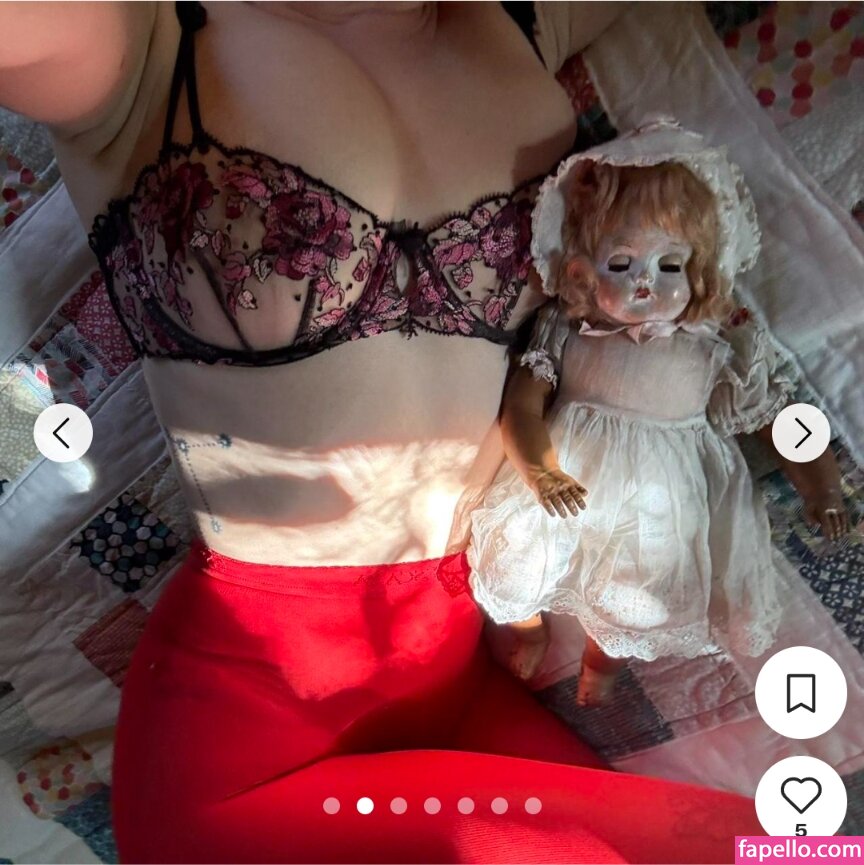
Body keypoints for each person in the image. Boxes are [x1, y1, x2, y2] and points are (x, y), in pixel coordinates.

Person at [1, 3, 765, 861]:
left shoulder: (511, 19)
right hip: (247, 761)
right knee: (760, 852)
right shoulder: (142, 37)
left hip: (453, 684)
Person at [466, 120, 850, 706]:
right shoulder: (567, 328)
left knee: (636, 602)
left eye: (670, 266)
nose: (647, 283)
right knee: (516, 564)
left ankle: (602, 660)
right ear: (581, 272)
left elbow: (779, 419)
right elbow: (521, 403)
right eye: (623, 263)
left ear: (699, 272)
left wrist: (822, 487)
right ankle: (529, 628)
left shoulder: (716, 350)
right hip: (563, 477)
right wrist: (540, 470)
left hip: (658, 507)